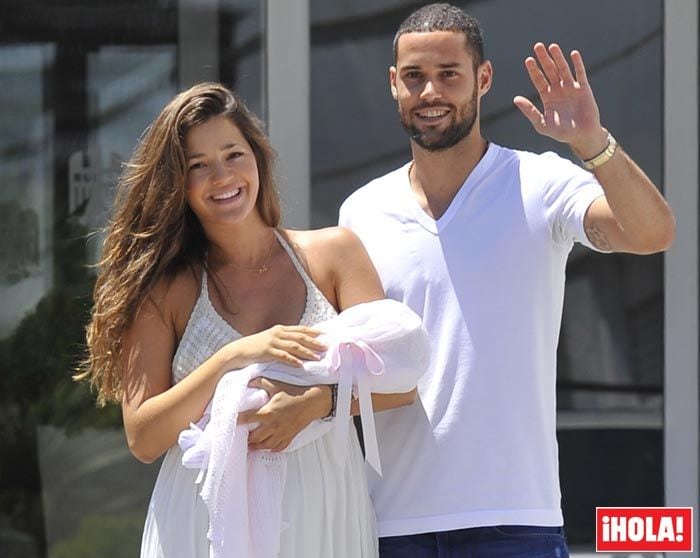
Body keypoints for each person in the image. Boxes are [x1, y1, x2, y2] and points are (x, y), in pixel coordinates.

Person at [337, 3, 676, 558]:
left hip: (516, 519)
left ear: (483, 79)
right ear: (393, 84)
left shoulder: (539, 181)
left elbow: (651, 233)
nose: (431, 93)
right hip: (388, 523)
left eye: (450, 74)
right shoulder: (361, 211)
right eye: (415, 77)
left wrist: (592, 141)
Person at [76, 82, 419, 558]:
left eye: (233, 154)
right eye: (198, 166)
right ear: (179, 183)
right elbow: (143, 435)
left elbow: (400, 382)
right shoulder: (165, 289)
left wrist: (317, 403)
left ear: (257, 157)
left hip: (325, 512)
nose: (222, 176)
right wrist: (231, 357)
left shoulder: (334, 254)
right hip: (201, 526)